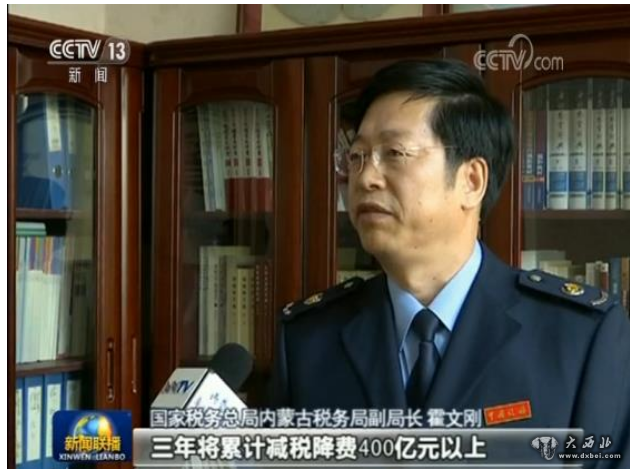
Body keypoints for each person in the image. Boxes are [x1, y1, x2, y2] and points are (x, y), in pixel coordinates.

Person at [269, 59, 629, 462]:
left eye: (395, 153)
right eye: (357, 157)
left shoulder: (578, 336)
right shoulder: (310, 340)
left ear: (471, 181)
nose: (366, 178)